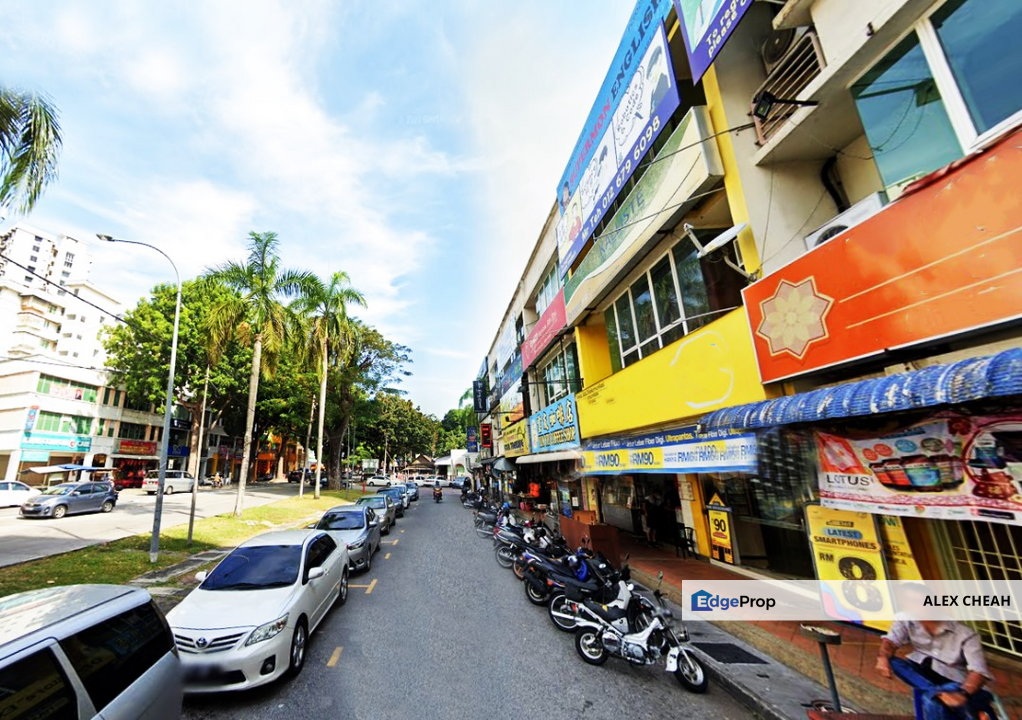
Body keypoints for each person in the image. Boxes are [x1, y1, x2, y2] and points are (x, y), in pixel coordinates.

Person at [876, 583, 996, 719]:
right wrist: (883, 657)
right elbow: (891, 641)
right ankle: (965, 710)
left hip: (957, 682)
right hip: (922, 673)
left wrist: (963, 694)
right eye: (909, 603)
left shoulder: (965, 634)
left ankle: (954, 704)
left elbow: (979, 672)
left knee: (931, 700)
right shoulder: (905, 618)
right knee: (892, 661)